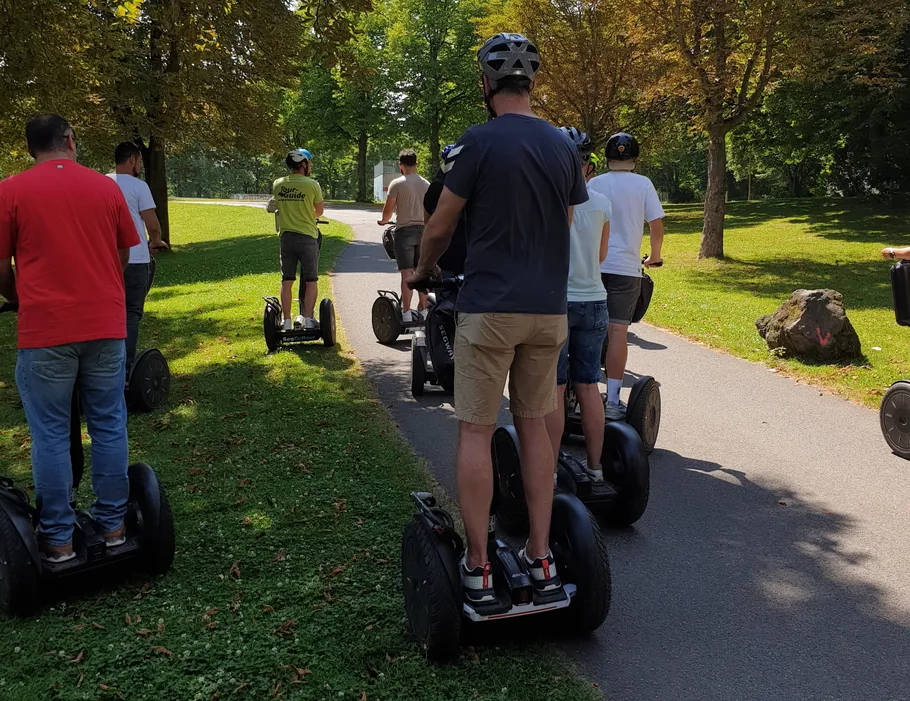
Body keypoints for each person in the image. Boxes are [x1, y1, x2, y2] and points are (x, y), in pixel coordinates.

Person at [408, 33, 589, 604]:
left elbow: (439, 225)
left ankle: (480, 566)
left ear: (486, 86)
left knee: (476, 431)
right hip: (547, 313)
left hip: (489, 310)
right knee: (535, 428)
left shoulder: (477, 143)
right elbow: (564, 223)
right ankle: (540, 557)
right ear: (531, 85)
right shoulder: (564, 147)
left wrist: (420, 272)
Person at [0, 114, 139, 562]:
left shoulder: (10, 191)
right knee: (108, 423)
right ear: (71, 141)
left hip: (46, 332)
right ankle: (114, 528)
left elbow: (1, 267)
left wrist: (21, 296)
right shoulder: (107, 188)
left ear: (30, 149)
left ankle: (58, 540)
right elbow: (123, 251)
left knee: (52, 435)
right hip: (104, 327)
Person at [544, 128, 611, 481]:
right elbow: (600, 255)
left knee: (555, 388)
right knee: (588, 386)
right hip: (595, 301)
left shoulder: (549, 198)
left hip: (559, 301)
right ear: (587, 163)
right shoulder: (602, 202)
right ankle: (596, 468)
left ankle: (552, 470)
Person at [588, 132, 665, 420]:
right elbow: (656, 225)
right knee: (618, 332)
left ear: (607, 157)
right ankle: (612, 400)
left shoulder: (595, 183)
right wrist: (654, 256)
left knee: (586, 328)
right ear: (634, 157)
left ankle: (580, 390)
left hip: (594, 267)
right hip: (625, 269)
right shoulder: (643, 184)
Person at [107, 142, 168, 369]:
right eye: (140, 161)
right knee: (131, 314)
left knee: (108, 314)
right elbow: (151, 223)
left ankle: (106, 366)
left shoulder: (100, 183)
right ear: (132, 160)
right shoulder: (138, 186)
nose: (141, 165)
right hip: (135, 259)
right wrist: (156, 241)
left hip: (105, 261)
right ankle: (126, 367)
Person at [272, 149, 324, 331]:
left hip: (286, 238)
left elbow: (276, 205)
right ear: (303, 165)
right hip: (307, 237)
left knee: (287, 281)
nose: (310, 167)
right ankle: (308, 318)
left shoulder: (278, 184)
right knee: (311, 280)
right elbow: (319, 212)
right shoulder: (312, 185)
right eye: (309, 163)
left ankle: (286, 321)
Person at [378, 149, 430, 322]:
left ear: (401, 165)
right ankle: (423, 310)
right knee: (422, 271)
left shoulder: (397, 184)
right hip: (423, 231)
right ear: (416, 164)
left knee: (407, 273)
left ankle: (406, 313)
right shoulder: (426, 184)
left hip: (404, 232)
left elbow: (387, 212)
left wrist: (383, 221)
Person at [423, 144, 467, 281]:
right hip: (473, 259)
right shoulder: (476, 186)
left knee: (444, 298)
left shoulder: (436, 189)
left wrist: (425, 265)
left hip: (445, 258)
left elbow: (429, 227)